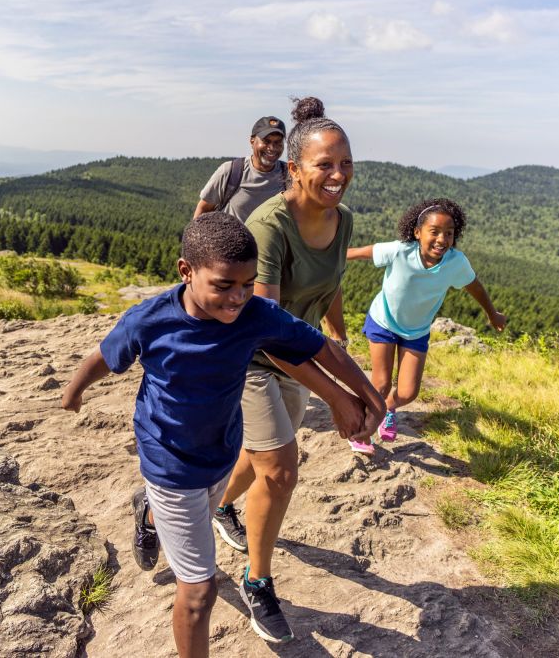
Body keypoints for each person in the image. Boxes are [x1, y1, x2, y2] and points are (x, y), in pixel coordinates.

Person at [61, 212, 375, 658]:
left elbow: (320, 347)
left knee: (207, 511)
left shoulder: (253, 315)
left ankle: (148, 513)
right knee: (199, 592)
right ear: (186, 272)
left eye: (248, 284)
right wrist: (74, 390)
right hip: (168, 462)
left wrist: (365, 395)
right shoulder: (150, 320)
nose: (238, 297)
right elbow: (106, 356)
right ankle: (157, 507)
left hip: (221, 452)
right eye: (225, 285)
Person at [211, 96, 387, 644]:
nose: (338, 175)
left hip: (298, 355)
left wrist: (362, 385)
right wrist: (338, 395)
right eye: (324, 165)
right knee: (282, 468)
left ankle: (195, 507)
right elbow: (266, 325)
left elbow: (321, 300)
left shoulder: (343, 220)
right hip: (248, 357)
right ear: (294, 169)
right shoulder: (270, 226)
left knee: (257, 458)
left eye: (346, 163)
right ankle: (258, 582)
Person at [345, 197, 506, 447]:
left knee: (408, 392)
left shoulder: (456, 263)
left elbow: (475, 288)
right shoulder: (400, 250)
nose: (442, 239)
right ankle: (362, 430)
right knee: (382, 382)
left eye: (449, 233)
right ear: (418, 232)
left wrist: (492, 313)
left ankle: (387, 409)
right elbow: (358, 253)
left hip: (416, 331)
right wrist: (323, 259)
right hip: (383, 322)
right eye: (435, 232)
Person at [193, 116, 287, 222]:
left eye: (278, 142)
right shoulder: (230, 171)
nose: (272, 148)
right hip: (232, 238)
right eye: (266, 141)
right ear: (252, 141)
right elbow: (203, 209)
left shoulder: (289, 175)